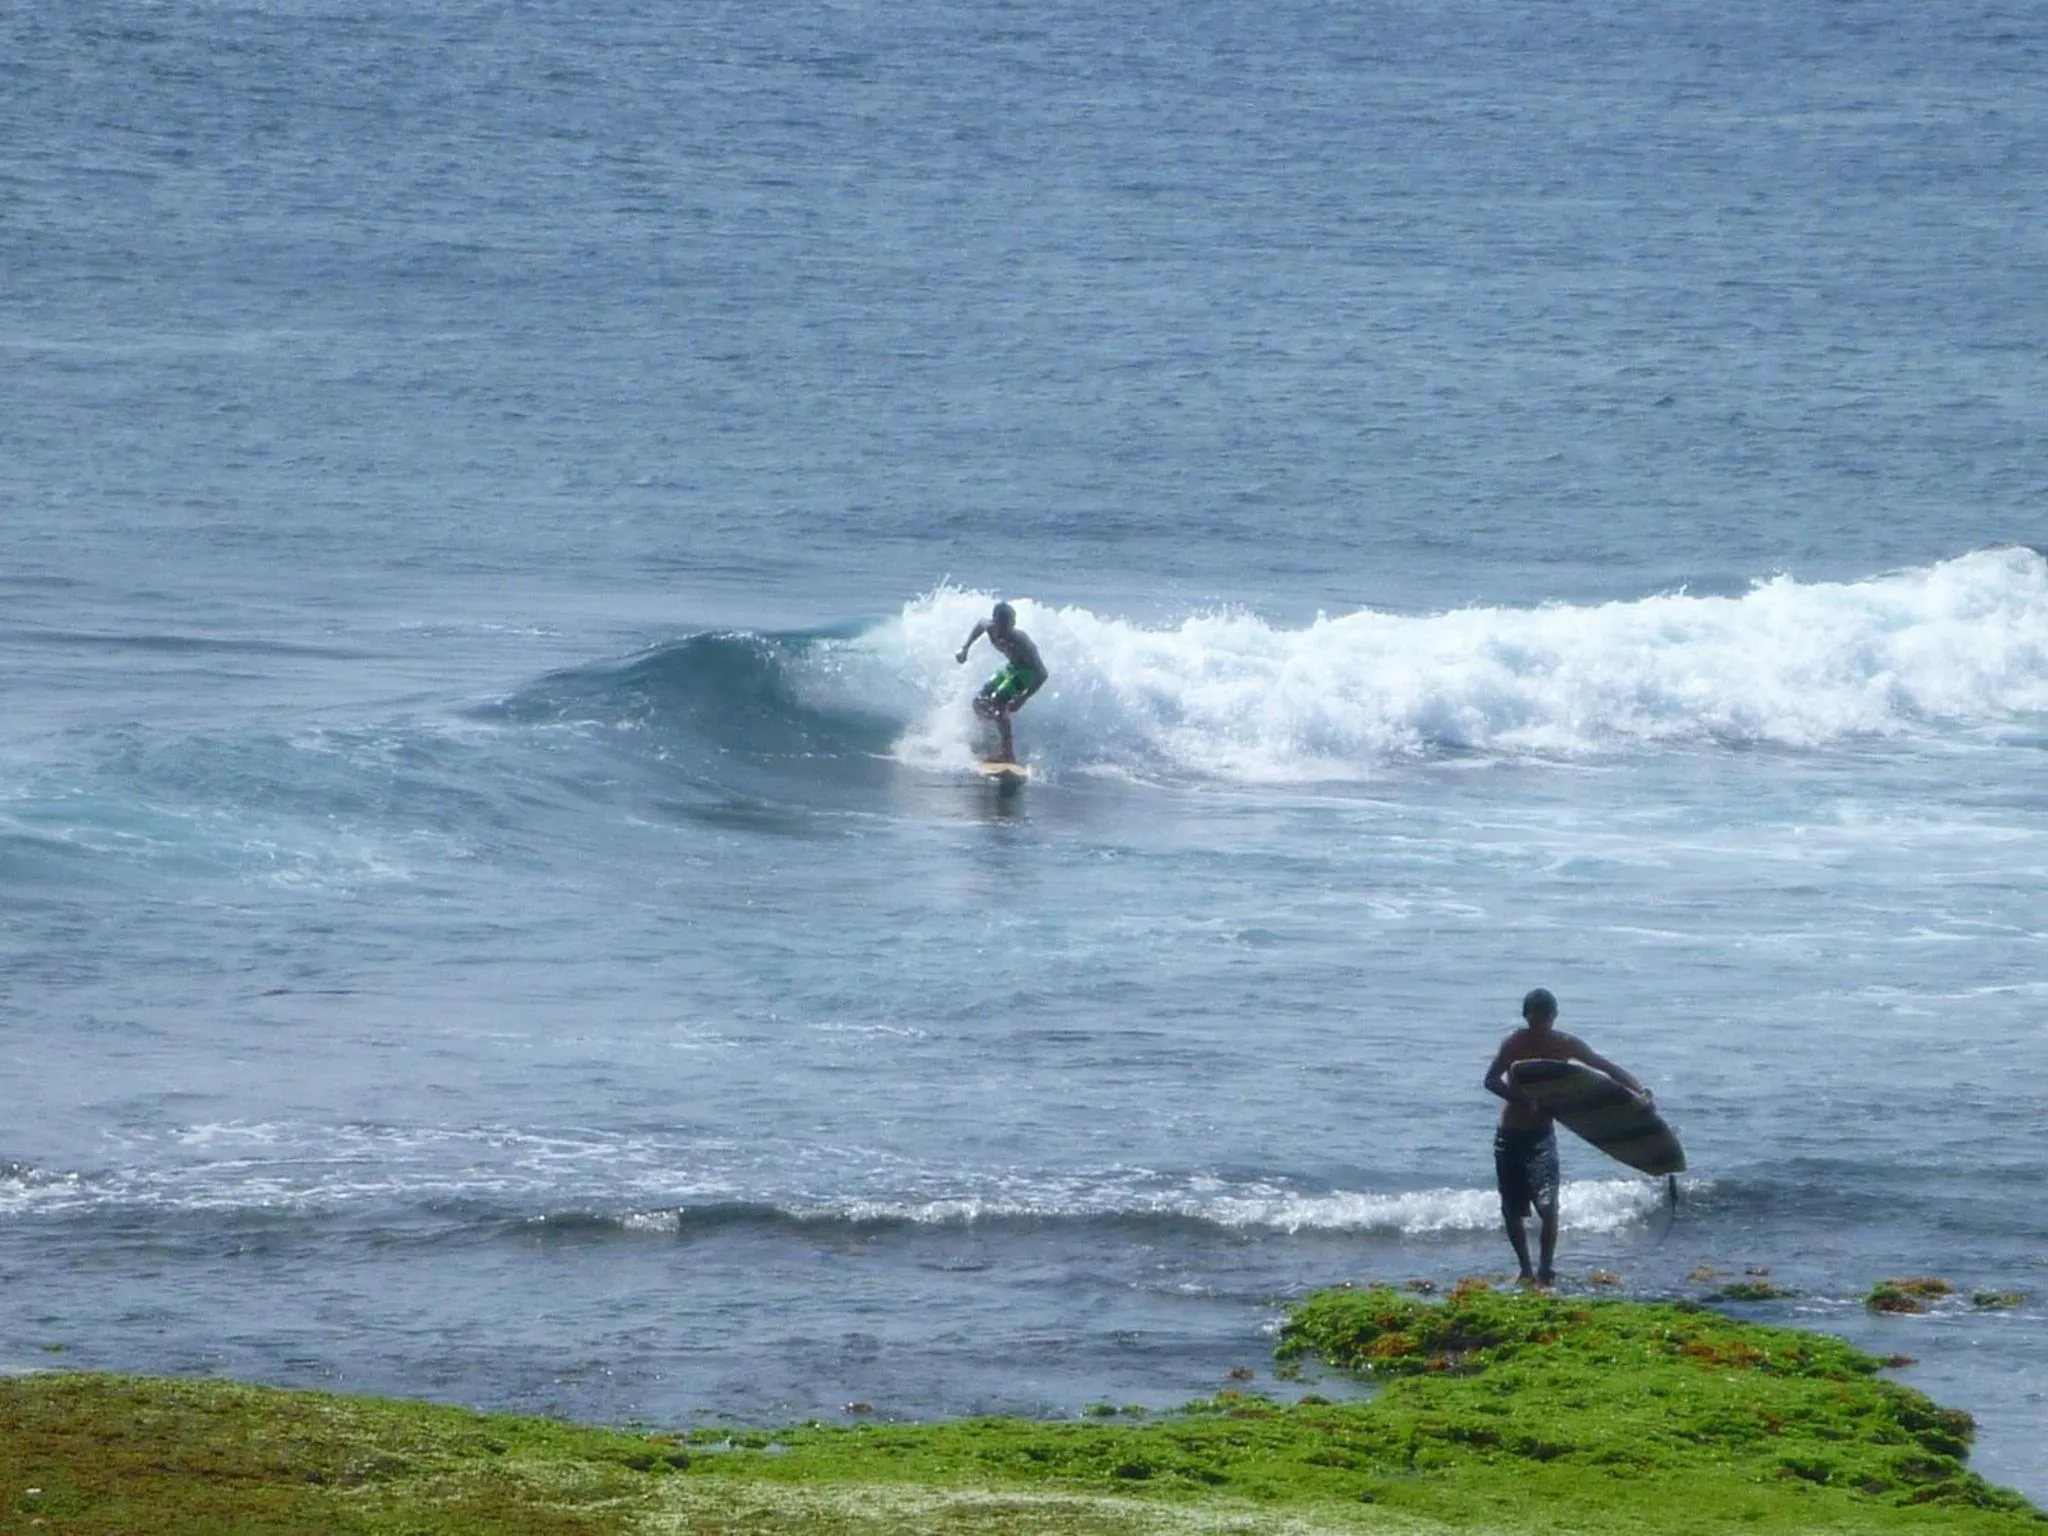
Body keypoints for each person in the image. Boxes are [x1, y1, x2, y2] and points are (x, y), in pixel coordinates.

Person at [1482, 987, 1651, 1288]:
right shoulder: (1514, 1043)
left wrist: (1639, 1091)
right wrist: (1522, 1100)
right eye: (1534, 1019)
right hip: (1509, 1136)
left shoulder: (1565, 1045)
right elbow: (1490, 1080)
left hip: (1541, 1137)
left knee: (1549, 1207)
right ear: (1525, 1016)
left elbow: (1605, 1068)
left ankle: (1545, 1271)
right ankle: (1525, 1270)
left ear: (1554, 1017)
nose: (1540, 1025)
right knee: (1512, 1209)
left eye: (1545, 1019)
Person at [955, 601, 1047, 764]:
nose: (1006, 631)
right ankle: (993, 740)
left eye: (1009, 626)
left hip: (1028, 672)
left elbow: (1042, 674)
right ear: (995, 622)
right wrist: (965, 648)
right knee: (979, 702)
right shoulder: (989, 626)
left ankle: (1008, 753)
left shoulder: (1022, 642)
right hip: (1012, 668)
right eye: (1003, 626)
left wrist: (1023, 698)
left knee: (998, 701)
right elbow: (979, 625)